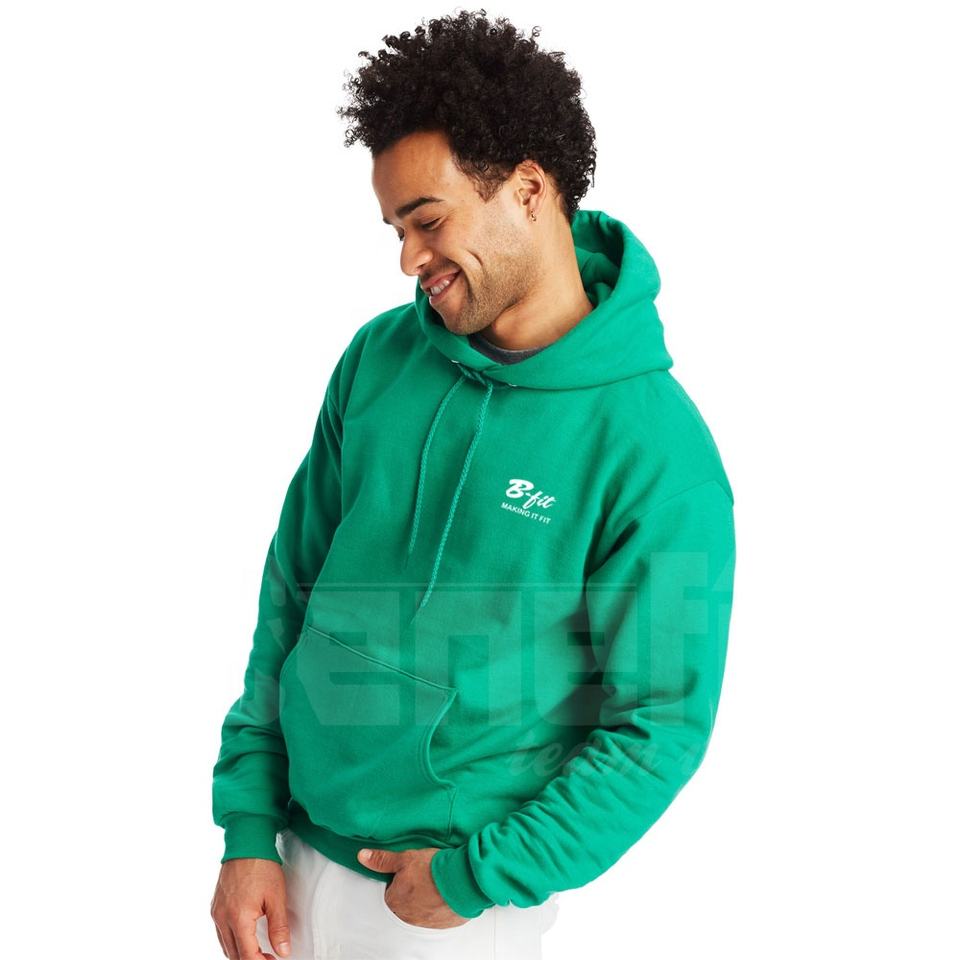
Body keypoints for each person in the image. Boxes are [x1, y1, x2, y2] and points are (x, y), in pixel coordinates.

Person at [210, 9, 737, 959]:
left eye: (428, 221)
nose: (408, 259)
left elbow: (660, 724)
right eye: (395, 229)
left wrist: (480, 877)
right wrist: (247, 826)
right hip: (287, 861)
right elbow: (289, 592)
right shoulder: (378, 358)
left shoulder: (658, 453)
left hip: (444, 905)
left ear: (528, 189)